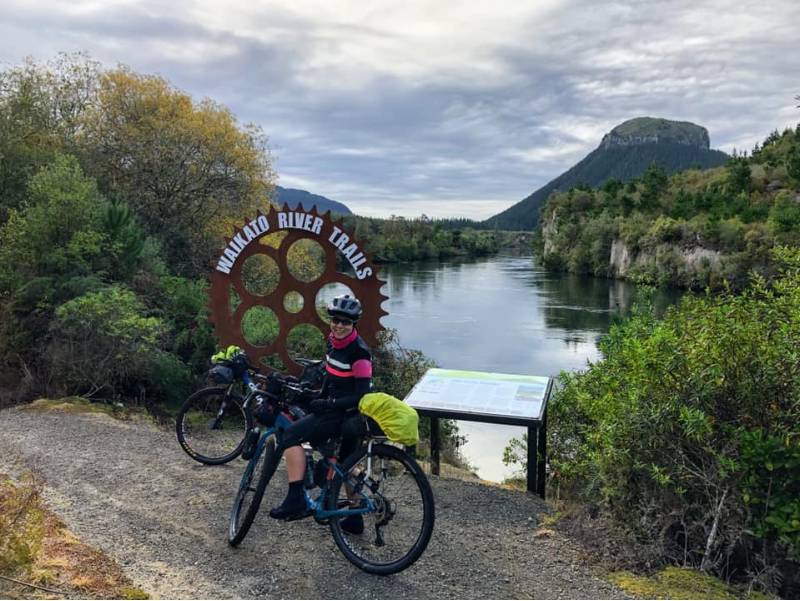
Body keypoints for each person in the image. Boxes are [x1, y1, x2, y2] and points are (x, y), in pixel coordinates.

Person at [269, 294, 372, 534]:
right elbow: (330, 375)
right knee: (344, 464)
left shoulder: (359, 353)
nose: (339, 325)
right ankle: (355, 519)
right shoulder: (333, 342)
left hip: (348, 415)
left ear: (354, 324)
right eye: (336, 320)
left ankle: (295, 499)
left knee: (291, 435)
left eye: (346, 322)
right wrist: (316, 395)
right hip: (338, 410)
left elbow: (362, 394)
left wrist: (328, 403)